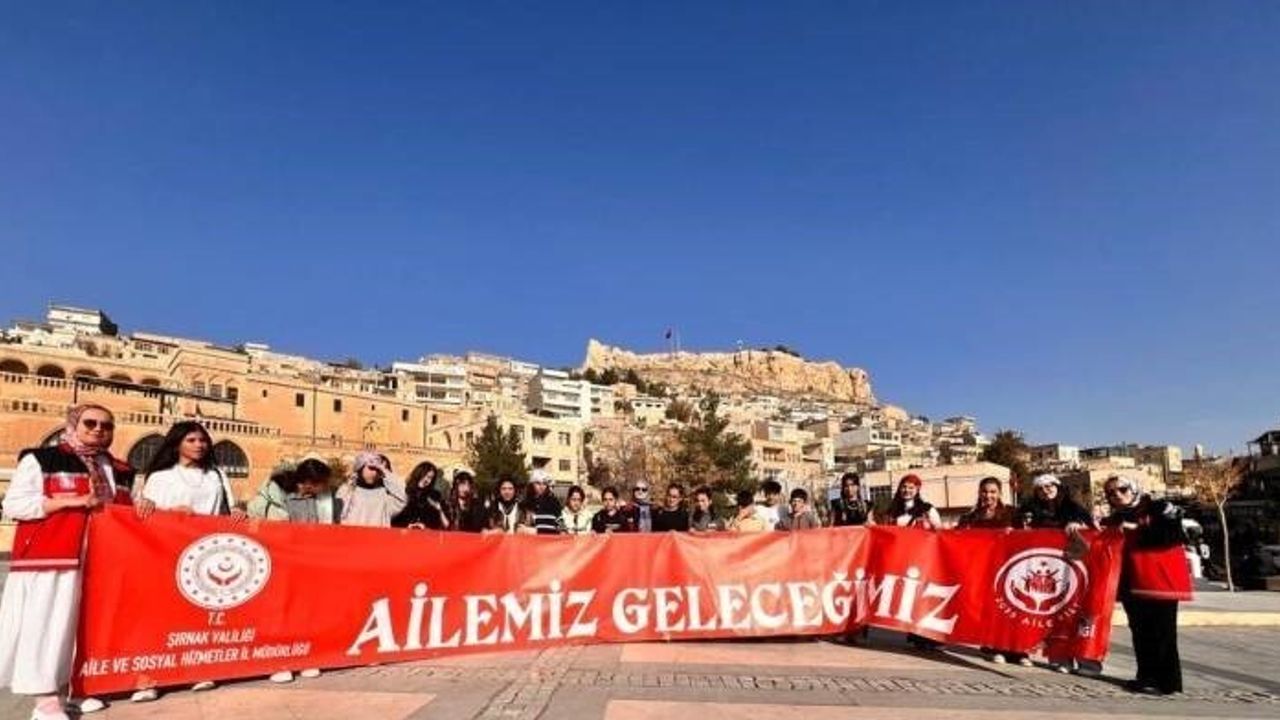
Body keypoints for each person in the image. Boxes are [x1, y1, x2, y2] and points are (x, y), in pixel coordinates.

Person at [0, 404, 135, 719]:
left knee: (82, 629)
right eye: (90, 422)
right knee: (47, 626)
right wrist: (72, 501)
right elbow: (15, 505)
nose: (99, 429)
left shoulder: (122, 469)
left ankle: (75, 688)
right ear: (73, 425)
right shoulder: (40, 459)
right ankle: (46, 703)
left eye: (107, 425)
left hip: (99, 562)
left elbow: (123, 513)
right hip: (51, 558)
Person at [130, 421, 245, 702]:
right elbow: (147, 513)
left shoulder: (216, 476)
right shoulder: (160, 476)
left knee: (199, 612)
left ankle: (197, 669)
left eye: (203, 440)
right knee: (159, 614)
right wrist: (170, 513)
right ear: (178, 443)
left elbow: (228, 508)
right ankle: (150, 677)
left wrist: (239, 511)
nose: (199, 445)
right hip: (165, 551)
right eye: (192, 439)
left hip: (205, 552)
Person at [246, 459, 336, 683]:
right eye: (320, 484)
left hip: (310, 563)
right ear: (308, 482)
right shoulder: (275, 495)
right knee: (280, 611)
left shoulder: (321, 500)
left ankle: (305, 656)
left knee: (306, 611)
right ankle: (278, 660)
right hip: (280, 561)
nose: (324, 488)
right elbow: (253, 516)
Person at [1100, 474, 1190, 695]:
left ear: (1133, 488)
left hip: (1161, 581)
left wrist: (1137, 530)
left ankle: (1169, 683)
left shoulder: (1159, 507)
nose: (1117, 495)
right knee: (1140, 632)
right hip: (1133, 583)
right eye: (1111, 493)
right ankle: (1146, 676)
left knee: (1164, 633)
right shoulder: (1116, 518)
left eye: (1122, 489)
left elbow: (1173, 535)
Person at [1016, 473, 1098, 674]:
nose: (1046, 491)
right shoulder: (1030, 511)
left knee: (1081, 613)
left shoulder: (1075, 508)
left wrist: (1079, 525)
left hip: (1076, 568)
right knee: (1055, 613)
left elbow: (1093, 531)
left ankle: (1088, 660)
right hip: (1050, 571)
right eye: (1041, 488)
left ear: (1058, 486)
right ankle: (1060, 657)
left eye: (1049, 486)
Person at [956, 476, 1027, 666]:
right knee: (992, 611)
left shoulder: (1012, 513)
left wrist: (1014, 533)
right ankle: (995, 647)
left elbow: (1027, 537)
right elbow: (957, 537)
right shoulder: (972, 516)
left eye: (993, 492)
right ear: (980, 493)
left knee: (1013, 609)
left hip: (1009, 568)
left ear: (1000, 494)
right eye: (985, 491)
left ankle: (1018, 651)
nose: (989, 495)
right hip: (985, 569)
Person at [247, 458, 342, 524]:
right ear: (309, 484)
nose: (327, 486)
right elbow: (252, 517)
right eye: (324, 483)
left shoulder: (319, 499)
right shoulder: (276, 498)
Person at [338, 451, 407, 527]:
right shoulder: (347, 491)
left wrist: (384, 471)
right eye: (371, 468)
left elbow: (404, 496)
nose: (374, 473)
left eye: (377, 470)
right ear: (360, 469)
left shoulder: (384, 498)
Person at [391, 461, 448, 530]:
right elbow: (394, 516)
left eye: (430, 478)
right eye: (424, 475)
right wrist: (407, 525)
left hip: (425, 536)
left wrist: (425, 526)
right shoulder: (404, 491)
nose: (426, 480)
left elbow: (436, 522)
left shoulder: (434, 496)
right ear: (418, 473)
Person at [872, 474, 941, 529]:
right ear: (900, 489)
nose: (906, 490)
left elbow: (938, 531)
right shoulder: (892, 510)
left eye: (911, 488)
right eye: (904, 487)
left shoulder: (927, 509)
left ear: (917, 490)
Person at [522, 470, 562, 535]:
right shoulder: (525, 503)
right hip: (531, 542)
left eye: (544, 483)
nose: (541, 486)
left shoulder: (553, 502)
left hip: (550, 541)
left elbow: (560, 523)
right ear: (531, 484)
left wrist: (536, 531)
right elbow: (521, 528)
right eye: (538, 483)